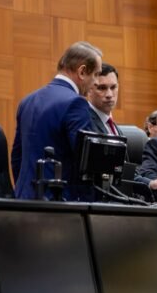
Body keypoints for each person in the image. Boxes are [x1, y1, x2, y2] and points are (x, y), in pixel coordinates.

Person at [11, 41, 102, 200]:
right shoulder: (76, 103)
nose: (96, 82)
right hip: (58, 204)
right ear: (82, 72)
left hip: (22, 199)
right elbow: (87, 165)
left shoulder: (27, 101)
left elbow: (17, 157)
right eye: (95, 74)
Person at [86, 63, 121, 135]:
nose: (109, 95)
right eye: (102, 88)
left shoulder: (115, 128)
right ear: (89, 90)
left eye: (113, 87)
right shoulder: (85, 122)